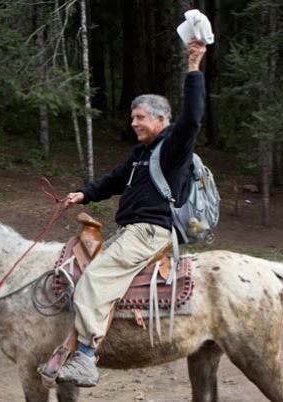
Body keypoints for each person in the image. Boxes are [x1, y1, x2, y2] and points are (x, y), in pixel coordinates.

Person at [57, 38, 207, 387]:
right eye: (133, 117)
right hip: (133, 231)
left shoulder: (172, 148)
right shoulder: (141, 153)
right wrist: (84, 194)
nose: (134, 123)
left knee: (93, 280)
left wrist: (194, 67)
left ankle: (84, 357)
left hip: (150, 231)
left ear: (160, 119)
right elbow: (114, 180)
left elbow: (193, 119)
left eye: (139, 118)